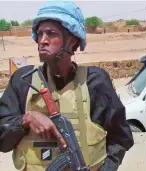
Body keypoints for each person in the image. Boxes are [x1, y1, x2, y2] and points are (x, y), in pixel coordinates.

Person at [0, 1, 134, 171]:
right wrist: (26, 120)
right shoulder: (23, 81)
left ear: (71, 41)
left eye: (51, 34)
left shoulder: (95, 82)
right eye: (40, 34)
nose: (43, 40)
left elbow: (121, 137)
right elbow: (2, 141)